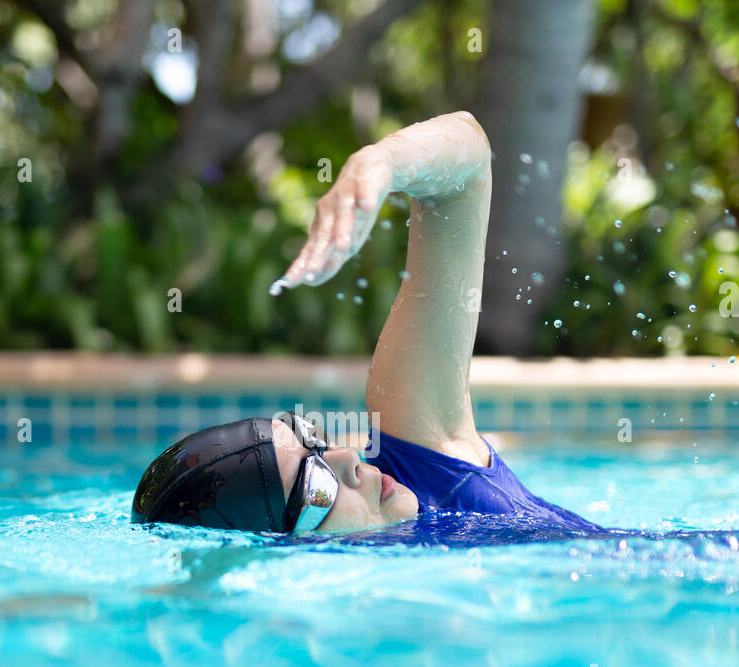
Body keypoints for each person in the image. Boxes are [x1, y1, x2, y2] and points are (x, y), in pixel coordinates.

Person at [132, 111, 602, 536]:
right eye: (316, 487)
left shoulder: (428, 470)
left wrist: (382, 163)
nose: (348, 460)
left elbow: (469, 167)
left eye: (315, 442)